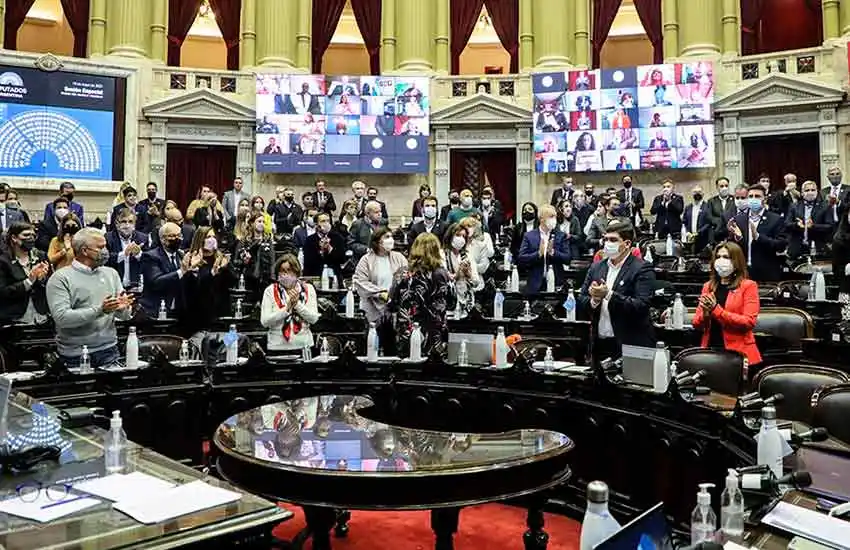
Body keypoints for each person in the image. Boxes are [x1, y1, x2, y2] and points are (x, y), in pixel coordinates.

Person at [46, 228, 134, 368]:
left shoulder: (111, 273)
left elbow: (124, 316)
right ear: (84, 251)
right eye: (101, 247)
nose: (106, 251)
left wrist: (122, 309)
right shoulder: (60, 278)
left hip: (109, 350)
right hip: (75, 354)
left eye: (105, 246)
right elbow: (62, 318)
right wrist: (100, 310)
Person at [578, 220, 655, 361]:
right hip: (601, 343)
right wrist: (594, 300)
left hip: (630, 344)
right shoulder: (596, 267)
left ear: (627, 244)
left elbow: (642, 305)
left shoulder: (642, 268)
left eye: (613, 240)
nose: (607, 243)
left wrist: (608, 294)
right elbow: (581, 299)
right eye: (605, 239)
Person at [692, 242, 761, 371]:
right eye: (718, 257)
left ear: (736, 261)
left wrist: (717, 310)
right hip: (710, 350)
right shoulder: (708, 286)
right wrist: (706, 313)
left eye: (726, 257)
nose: (721, 261)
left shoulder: (748, 286)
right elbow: (697, 324)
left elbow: (748, 322)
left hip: (738, 354)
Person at [388, 233, 456, 356]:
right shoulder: (440, 273)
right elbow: (451, 303)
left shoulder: (402, 273)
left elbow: (392, 302)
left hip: (407, 329)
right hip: (433, 331)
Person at [353, 228, 408, 350]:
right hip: (372, 308)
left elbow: (407, 277)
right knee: (371, 345)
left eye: (391, 237)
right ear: (377, 241)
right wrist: (379, 293)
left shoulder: (399, 257)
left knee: (392, 346)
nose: (390, 240)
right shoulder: (366, 260)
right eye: (387, 237)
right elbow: (360, 281)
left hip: (393, 310)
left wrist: (404, 279)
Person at [179, 227, 236, 336]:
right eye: (208, 237)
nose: (212, 240)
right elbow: (196, 287)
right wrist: (212, 273)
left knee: (231, 341)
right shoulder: (191, 259)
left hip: (221, 313)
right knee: (204, 344)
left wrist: (225, 268)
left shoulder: (221, 258)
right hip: (199, 315)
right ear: (200, 240)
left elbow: (233, 281)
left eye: (213, 237)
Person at [260, 254, 320, 352]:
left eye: (289, 270)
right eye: (282, 271)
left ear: (297, 272)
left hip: (304, 346)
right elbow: (265, 321)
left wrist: (297, 305)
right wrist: (286, 309)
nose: (286, 274)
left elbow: (314, 318)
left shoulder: (308, 289)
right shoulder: (270, 290)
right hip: (277, 347)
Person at [729, 184, 785, 282]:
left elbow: (781, 245)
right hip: (743, 273)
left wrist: (758, 237)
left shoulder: (776, 219)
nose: (753, 199)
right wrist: (738, 238)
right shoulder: (739, 219)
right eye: (750, 196)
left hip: (766, 274)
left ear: (765, 199)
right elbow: (732, 247)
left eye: (757, 196)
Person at [0, 222, 50, 325]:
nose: (30, 238)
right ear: (14, 238)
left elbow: (50, 284)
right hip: (14, 318)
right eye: (26, 235)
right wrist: (28, 281)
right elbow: (3, 292)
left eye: (33, 235)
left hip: (41, 316)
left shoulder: (41, 256)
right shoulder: (3, 261)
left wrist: (42, 279)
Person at [139, 222, 189, 318]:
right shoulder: (150, 256)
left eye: (179, 235)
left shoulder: (181, 255)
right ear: (162, 239)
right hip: (156, 310)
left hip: (178, 310)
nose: (177, 239)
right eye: (172, 236)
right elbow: (156, 282)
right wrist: (181, 271)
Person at [518, 205, 571, 294]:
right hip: (535, 284)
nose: (554, 220)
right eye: (551, 217)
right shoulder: (529, 236)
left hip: (556, 283)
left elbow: (567, 258)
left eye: (555, 217)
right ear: (542, 219)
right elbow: (521, 258)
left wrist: (553, 252)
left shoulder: (561, 235)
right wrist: (538, 254)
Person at [443, 224, 483, 314]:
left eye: (464, 236)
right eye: (458, 235)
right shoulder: (442, 255)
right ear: (450, 236)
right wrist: (458, 273)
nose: (461, 239)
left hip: (466, 303)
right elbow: (445, 279)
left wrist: (469, 274)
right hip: (449, 303)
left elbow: (476, 282)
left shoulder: (468, 256)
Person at [106, 208, 149, 290]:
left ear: (134, 224)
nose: (127, 225)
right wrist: (124, 254)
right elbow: (106, 259)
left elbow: (149, 262)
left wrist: (139, 255)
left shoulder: (143, 238)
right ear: (117, 224)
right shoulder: (108, 238)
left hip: (136, 286)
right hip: (114, 286)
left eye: (130, 222)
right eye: (123, 221)